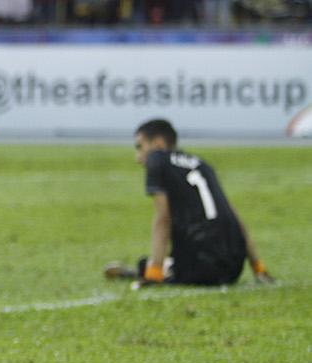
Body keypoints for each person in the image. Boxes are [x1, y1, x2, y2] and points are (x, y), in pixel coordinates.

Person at [104, 119, 274, 287]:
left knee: (148, 265)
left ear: (157, 143)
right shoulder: (202, 164)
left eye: (140, 147)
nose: (138, 158)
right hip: (233, 267)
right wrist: (257, 266)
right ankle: (161, 268)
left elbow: (163, 218)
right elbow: (234, 215)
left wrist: (153, 273)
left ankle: (153, 270)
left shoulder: (157, 159)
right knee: (179, 257)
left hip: (200, 265)